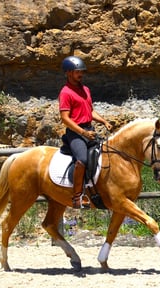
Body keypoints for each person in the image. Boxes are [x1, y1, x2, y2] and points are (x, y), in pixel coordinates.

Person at [58, 56, 113, 209]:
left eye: (81, 71)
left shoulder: (85, 89)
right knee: (82, 159)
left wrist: (103, 121)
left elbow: (90, 111)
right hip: (75, 133)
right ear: (69, 73)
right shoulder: (65, 92)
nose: (80, 74)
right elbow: (65, 118)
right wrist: (82, 132)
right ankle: (77, 197)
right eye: (77, 72)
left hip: (89, 130)